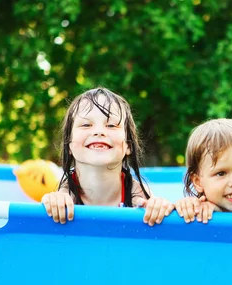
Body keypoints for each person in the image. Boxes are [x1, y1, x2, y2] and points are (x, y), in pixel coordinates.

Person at [41, 87, 174, 226]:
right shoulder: (64, 197)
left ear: (128, 145)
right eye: (86, 124)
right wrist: (53, 201)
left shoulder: (139, 196)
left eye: (111, 125)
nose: (99, 132)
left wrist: (159, 207)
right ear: (69, 144)